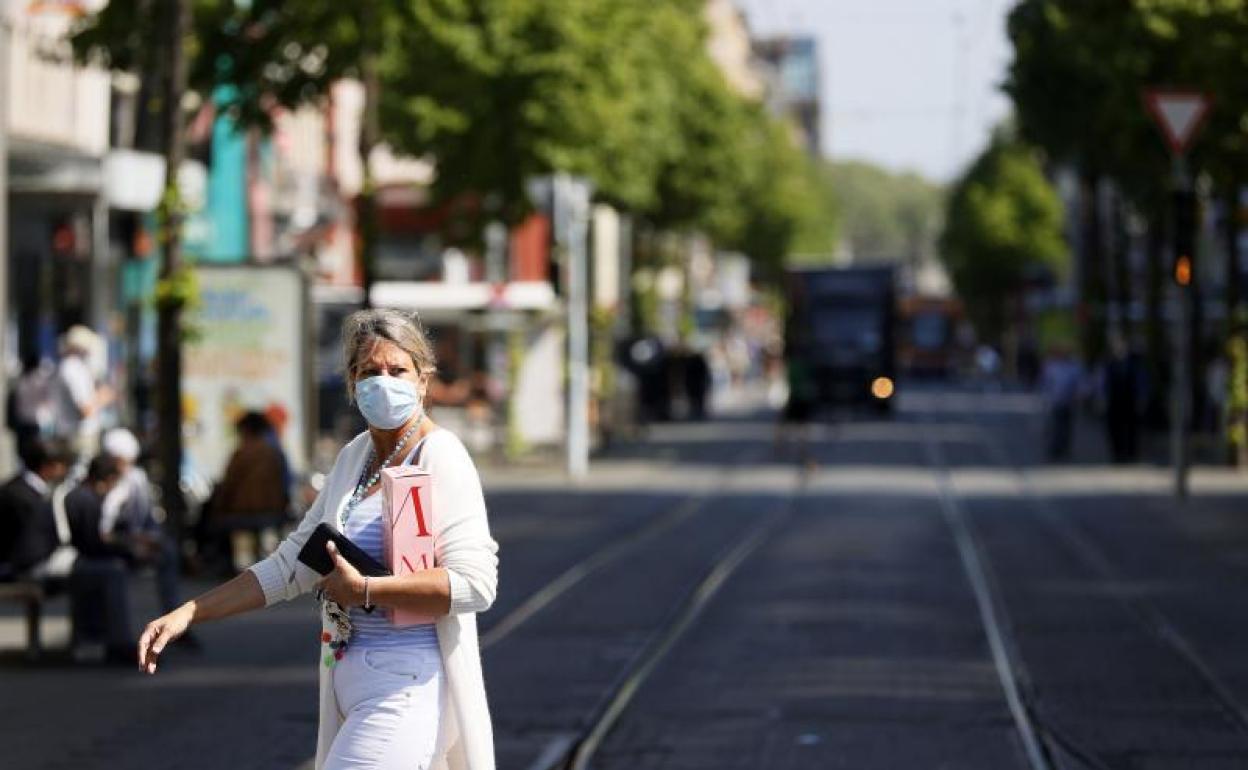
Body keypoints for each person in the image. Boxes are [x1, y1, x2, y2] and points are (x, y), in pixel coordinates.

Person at [137, 308, 500, 770]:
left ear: (423, 380)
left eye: (397, 370)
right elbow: (292, 564)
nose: (382, 381)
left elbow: (476, 584)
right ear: (352, 382)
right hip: (349, 680)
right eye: (370, 371)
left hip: (408, 682)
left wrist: (367, 590)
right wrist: (191, 611)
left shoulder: (440, 455)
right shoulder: (355, 458)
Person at [101, 428, 183, 616]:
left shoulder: (136, 477)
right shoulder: (104, 477)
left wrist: (146, 537)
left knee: (167, 550)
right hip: (113, 540)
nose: (125, 467)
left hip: (131, 536)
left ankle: (172, 613)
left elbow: (145, 517)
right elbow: (104, 526)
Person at [65, 454, 135, 661]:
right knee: (114, 571)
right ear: (106, 479)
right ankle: (119, 641)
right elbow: (92, 545)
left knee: (111, 568)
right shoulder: (87, 499)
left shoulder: (78, 495)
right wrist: (127, 552)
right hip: (75, 562)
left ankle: (97, 637)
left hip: (75, 559)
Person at [208, 411, 291, 572]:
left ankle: (224, 567)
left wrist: (217, 509)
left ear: (245, 430)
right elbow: (286, 485)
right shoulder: (276, 453)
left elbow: (228, 487)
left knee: (213, 523)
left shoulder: (241, 454)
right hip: (274, 513)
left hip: (242, 514)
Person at [0, 437, 74, 582]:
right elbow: (29, 547)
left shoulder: (19, 488)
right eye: (62, 465)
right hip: (23, 567)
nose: (64, 470)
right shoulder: (23, 497)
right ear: (47, 466)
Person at [55, 325, 114, 455]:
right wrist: (102, 398)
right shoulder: (72, 369)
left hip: (76, 434)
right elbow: (85, 410)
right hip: (78, 436)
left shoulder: (75, 368)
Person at [1041, 343, 1083, 461]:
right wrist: (1046, 398)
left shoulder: (1074, 367)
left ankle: (1064, 447)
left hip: (1069, 402)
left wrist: (1078, 396)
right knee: (1056, 426)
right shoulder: (1052, 367)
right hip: (1056, 401)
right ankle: (1055, 448)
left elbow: (1079, 384)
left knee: (1067, 426)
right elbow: (1046, 384)